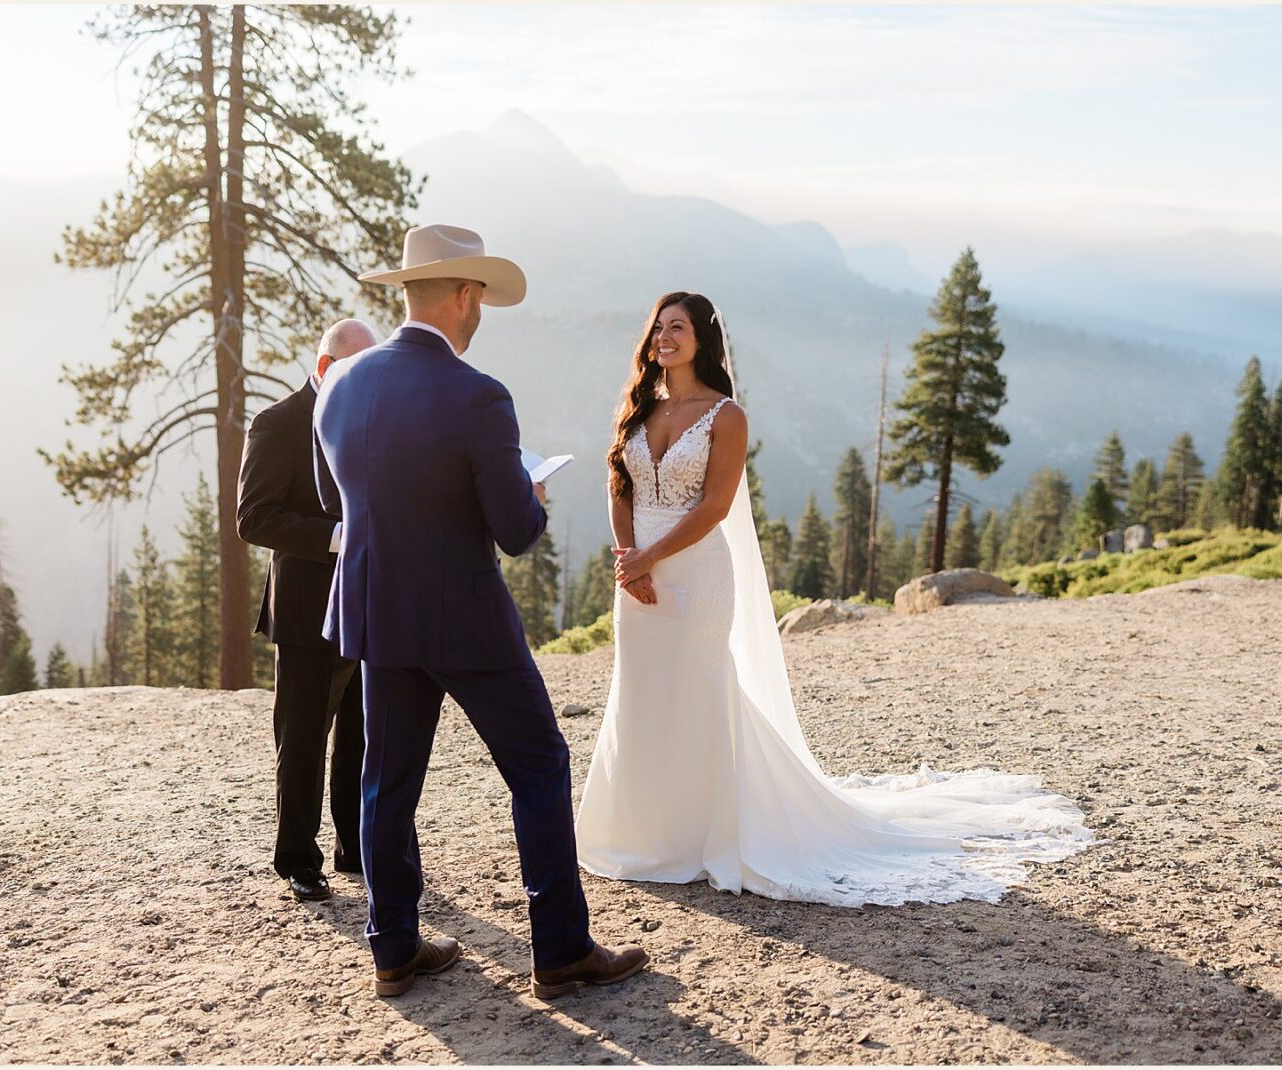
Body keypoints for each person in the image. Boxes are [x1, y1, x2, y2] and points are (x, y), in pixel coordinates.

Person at [575, 290, 1095, 906]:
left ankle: (699, 836)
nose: (664, 338)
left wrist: (653, 558)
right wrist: (627, 558)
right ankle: (636, 830)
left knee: (697, 690)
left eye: (678, 328)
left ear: (702, 340)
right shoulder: (640, 407)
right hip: (635, 575)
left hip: (694, 572)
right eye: (658, 328)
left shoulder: (725, 416)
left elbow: (715, 506)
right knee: (639, 693)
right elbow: (619, 486)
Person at [313, 224, 647, 999]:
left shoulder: (341, 384)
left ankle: (391, 947)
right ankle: (560, 950)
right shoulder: (479, 395)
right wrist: (529, 494)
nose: (483, 311)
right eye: (483, 298)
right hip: (463, 616)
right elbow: (516, 532)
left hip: (376, 611)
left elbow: (338, 502)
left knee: (385, 783)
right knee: (538, 765)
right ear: (465, 296)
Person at [237, 318, 377, 903]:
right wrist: (338, 536)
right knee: (302, 738)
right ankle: (298, 858)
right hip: (305, 608)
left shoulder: (371, 417)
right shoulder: (276, 424)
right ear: (324, 368)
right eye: (358, 371)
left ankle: (355, 847)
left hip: (369, 599)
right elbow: (254, 519)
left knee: (362, 735)